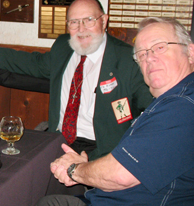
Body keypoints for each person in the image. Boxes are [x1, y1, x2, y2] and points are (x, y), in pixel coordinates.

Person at [0, 0, 152, 160]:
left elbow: (152, 109)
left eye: (89, 20)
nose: (81, 29)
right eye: (74, 22)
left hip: (103, 149)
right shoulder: (63, 47)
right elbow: (34, 63)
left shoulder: (128, 59)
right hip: (60, 140)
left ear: (104, 21)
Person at [36, 17, 194, 205]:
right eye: (141, 54)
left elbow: (121, 175)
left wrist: (74, 169)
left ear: (190, 52)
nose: (149, 58)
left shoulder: (181, 105)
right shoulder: (171, 99)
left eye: (160, 47)